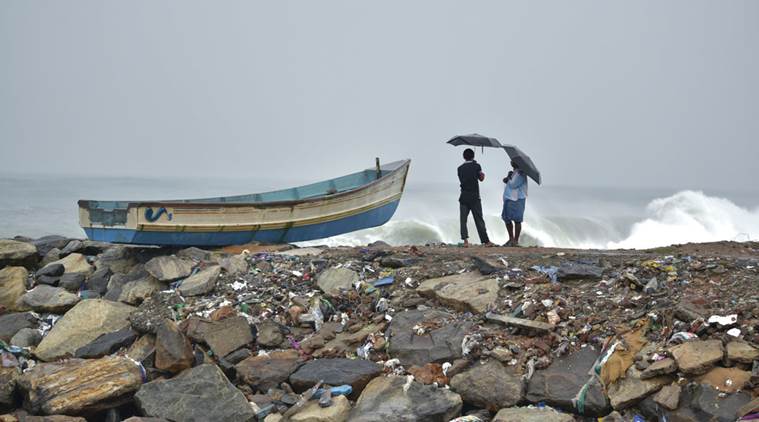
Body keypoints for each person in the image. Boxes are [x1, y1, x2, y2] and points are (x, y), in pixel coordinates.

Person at [457, 148, 492, 247]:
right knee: (479, 219)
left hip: (463, 196)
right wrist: (481, 173)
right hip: (474, 197)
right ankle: (486, 242)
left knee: (463, 220)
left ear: (464, 157)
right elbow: (481, 178)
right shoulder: (477, 166)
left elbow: (463, 179)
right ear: (473, 156)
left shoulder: (459, 168)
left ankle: (465, 241)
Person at [502, 160, 528, 246]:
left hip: (517, 199)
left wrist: (508, 177)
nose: (511, 161)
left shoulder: (521, 173)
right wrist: (508, 178)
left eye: (513, 161)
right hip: (510, 198)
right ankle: (511, 239)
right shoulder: (515, 172)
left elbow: (513, 184)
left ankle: (515, 240)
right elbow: (510, 182)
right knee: (507, 218)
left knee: (517, 220)